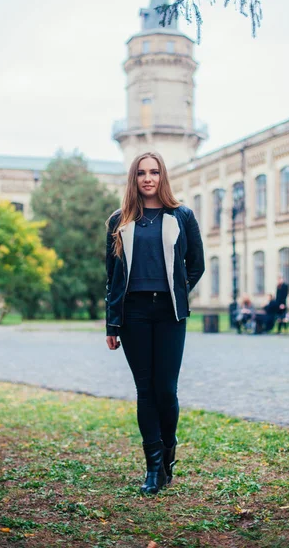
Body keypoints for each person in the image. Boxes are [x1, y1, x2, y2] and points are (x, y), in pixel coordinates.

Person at [105, 151, 205, 495]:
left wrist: (178, 290)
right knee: (145, 391)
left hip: (169, 314)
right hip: (133, 314)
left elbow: (196, 264)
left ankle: (168, 453)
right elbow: (112, 276)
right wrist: (112, 325)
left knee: (166, 389)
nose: (148, 178)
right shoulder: (119, 221)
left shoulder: (182, 215)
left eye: (155, 172)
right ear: (133, 179)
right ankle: (153, 469)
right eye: (141, 173)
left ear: (163, 177)